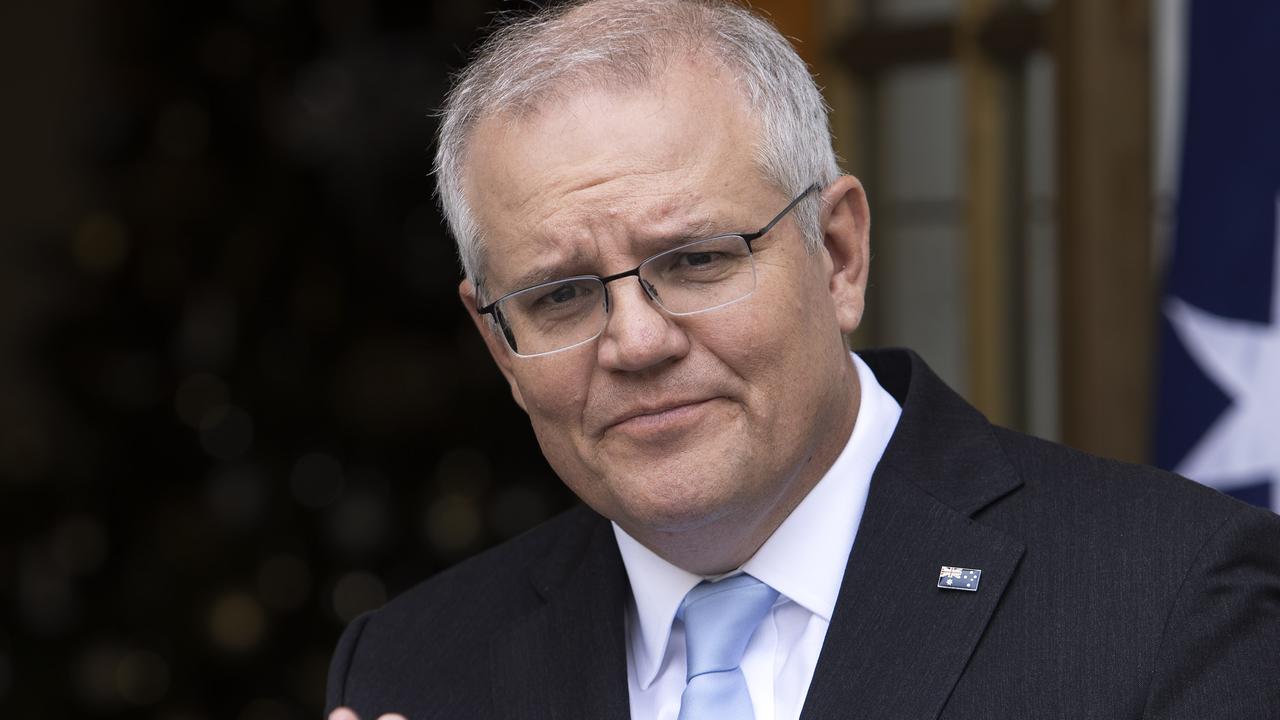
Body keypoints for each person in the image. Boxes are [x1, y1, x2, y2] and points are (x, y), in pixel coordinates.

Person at [325, 1, 1280, 718]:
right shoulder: (413, 668)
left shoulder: (1172, 603)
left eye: (696, 261)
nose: (638, 341)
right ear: (498, 337)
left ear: (840, 255)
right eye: (561, 295)